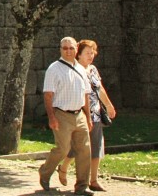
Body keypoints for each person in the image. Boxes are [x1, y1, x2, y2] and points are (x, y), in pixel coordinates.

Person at [58, 39, 117, 192]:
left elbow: (100, 89)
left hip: (95, 114)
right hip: (80, 115)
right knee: (77, 147)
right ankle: (63, 167)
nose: (91, 56)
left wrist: (108, 105)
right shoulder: (74, 70)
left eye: (93, 53)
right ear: (79, 54)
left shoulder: (93, 70)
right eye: (87, 53)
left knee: (96, 146)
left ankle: (94, 180)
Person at [38, 36, 93, 195]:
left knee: (84, 151)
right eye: (65, 48)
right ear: (60, 50)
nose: (68, 51)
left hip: (79, 114)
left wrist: (88, 117)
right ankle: (45, 172)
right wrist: (51, 117)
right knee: (62, 149)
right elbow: (48, 95)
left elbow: (86, 95)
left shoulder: (82, 69)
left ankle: (82, 187)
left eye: (71, 48)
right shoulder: (54, 69)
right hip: (61, 114)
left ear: (76, 48)